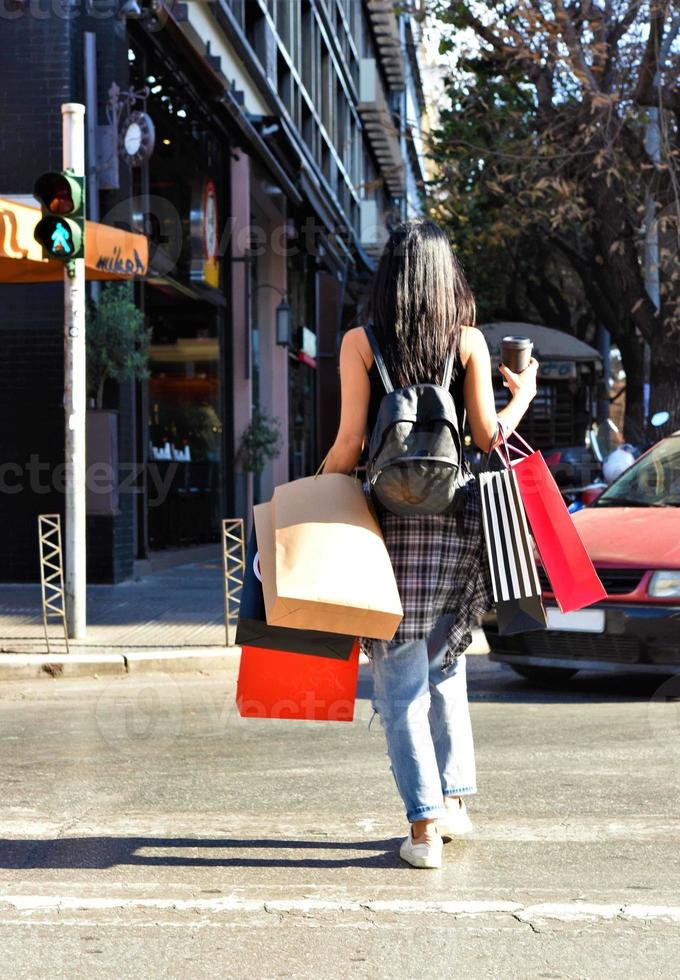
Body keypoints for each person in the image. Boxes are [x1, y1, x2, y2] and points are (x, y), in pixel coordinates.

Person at [323, 219, 538, 868]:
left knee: (398, 678)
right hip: (457, 529)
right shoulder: (467, 341)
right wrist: (521, 394)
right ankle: (455, 804)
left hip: (385, 530)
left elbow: (349, 445)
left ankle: (422, 829)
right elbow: (486, 436)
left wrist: (311, 495)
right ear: (447, 279)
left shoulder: (360, 343)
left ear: (389, 278)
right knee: (445, 667)